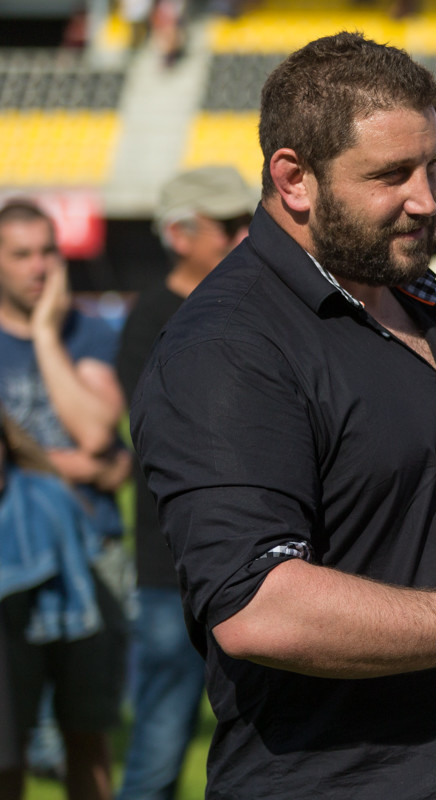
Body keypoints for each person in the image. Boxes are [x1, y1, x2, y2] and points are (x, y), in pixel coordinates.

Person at [130, 33, 436, 800]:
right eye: (391, 174)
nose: (428, 198)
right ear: (294, 178)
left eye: (432, 165)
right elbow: (257, 605)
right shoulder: (229, 345)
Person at [114, 166, 255, 800]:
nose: (243, 233)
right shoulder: (152, 320)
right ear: (179, 233)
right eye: (227, 225)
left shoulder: (247, 301)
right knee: (161, 743)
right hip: (169, 567)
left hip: (253, 561)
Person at [0, 199, 129, 800]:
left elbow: (98, 432)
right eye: (21, 254)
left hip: (90, 550)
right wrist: (88, 468)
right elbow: (99, 459)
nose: (39, 267)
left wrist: (47, 333)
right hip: (10, 561)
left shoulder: (89, 329)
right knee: (7, 741)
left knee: (89, 733)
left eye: (48, 251)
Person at [0, 407, 125, 800]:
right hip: (11, 636)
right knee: (7, 751)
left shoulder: (47, 496)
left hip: (76, 626)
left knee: (86, 736)